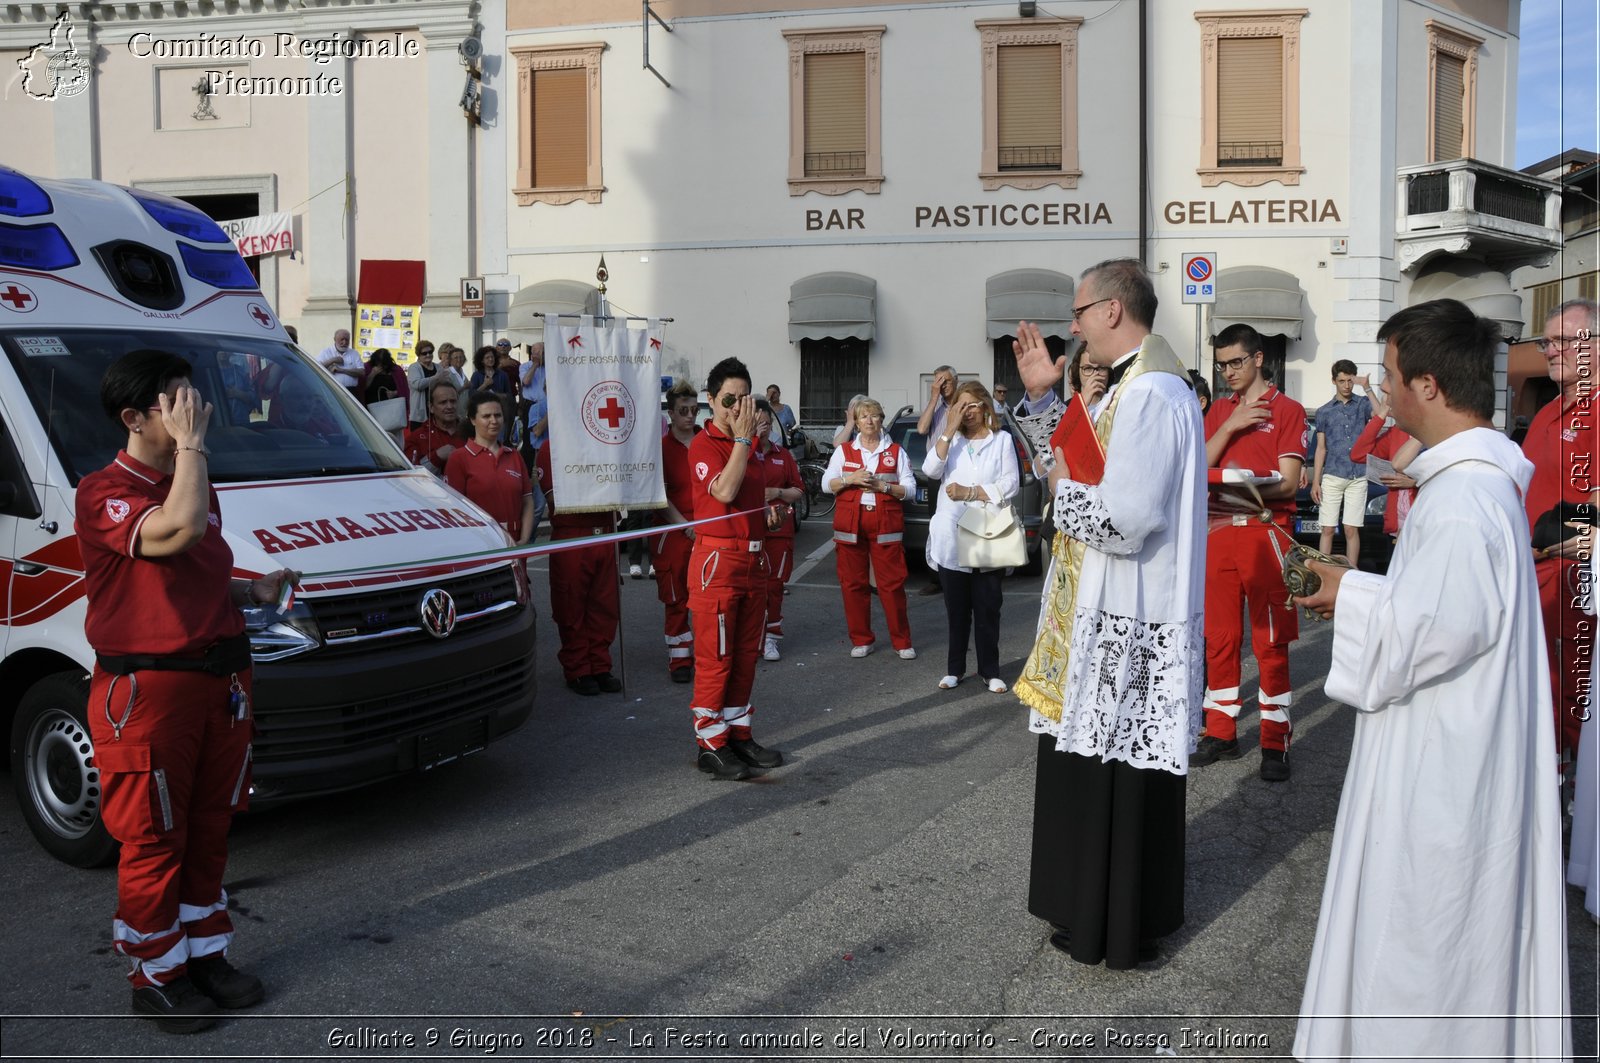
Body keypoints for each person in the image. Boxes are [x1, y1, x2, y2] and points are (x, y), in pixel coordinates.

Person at [1291, 298, 1571, 1060]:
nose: (1382, 393)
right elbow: (1447, 617)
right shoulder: (1479, 487)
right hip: (1460, 746)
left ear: (1429, 386)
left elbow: (1427, 635)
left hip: (1445, 775)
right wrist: (1353, 583)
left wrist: (1348, 591)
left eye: (1388, 377)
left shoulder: (1460, 501)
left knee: (1428, 950)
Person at [77, 349, 297, 1032]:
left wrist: (248, 590)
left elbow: (191, 568)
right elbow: (177, 530)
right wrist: (194, 449)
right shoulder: (104, 490)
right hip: (150, 693)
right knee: (152, 838)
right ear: (134, 417)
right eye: (177, 402)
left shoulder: (193, 480)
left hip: (220, 681)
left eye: (192, 400)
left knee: (208, 829)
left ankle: (203, 954)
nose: (194, 411)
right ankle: (154, 975)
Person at [1011, 258, 1205, 969]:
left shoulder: (1153, 392)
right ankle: (1088, 909)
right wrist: (1043, 399)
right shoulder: (1131, 386)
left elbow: (1124, 515)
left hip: (1129, 604)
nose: (1073, 325)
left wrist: (1062, 492)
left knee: (1118, 771)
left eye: (1080, 310)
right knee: (1096, 764)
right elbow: (1081, 460)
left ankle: (1115, 923)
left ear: (1115, 311)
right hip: (1103, 604)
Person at [1191, 323, 1307, 782]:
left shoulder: (1289, 410)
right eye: (1221, 366)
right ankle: (1221, 731)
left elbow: (1290, 481)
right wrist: (1233, 423)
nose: (1228, 373)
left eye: (1236, 362)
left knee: (1270, 639)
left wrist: (1242, 480)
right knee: (1218, 638)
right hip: (1219, 532)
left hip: (1266, 533)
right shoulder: (1219, 409)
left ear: (1259, 358)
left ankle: (1275, 740)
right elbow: (1197, 465)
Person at [686, 357, 783, 780]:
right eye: (729, 399)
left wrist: (768, 515)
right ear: (711, 401)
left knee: (746, 654)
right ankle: (710, 741)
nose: (738, 408)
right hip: (718, 562)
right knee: (716, 657)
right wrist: (744, 442)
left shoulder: (751, 447)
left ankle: (738, 732)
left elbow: (747, 504)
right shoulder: (704, 445)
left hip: (753, 558)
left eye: (744, 399)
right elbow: (723, 491)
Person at [1522, 298, 1599, 770]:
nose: (1550, 350)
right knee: (1540, 694)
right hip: (1535, 574)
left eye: (1563, 341)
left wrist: (1586, 530)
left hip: (1575, 577)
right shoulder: (1551, 409)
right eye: (1546, 341)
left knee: (1574, 700)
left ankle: (1578, 814)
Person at [922, 382, 1018, 692]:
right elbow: (930, 470)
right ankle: (955, 668)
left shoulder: (1002, 440)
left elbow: (1012, 483)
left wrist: (972, 492)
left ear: (986, 408)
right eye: (961, 406)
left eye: (973, 405)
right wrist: (948, 429)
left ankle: (990, 670)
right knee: (957, 608)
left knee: (988, 606)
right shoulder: (950, 442)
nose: (968, 411)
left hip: (988, 532)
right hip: (952, 533)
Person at [825, 396, 916, 661]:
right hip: (849, 526)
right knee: (853, 585)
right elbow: (825, 483)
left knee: (892, 585)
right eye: (863, 416)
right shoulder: (843, 451)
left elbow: (910, 490)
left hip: (885, 526)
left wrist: (883, 487)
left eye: (874, 415)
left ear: (881, 420)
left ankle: (902, 641)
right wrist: (848, 479)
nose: (868, 421)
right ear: (856, 421)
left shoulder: (897, 451)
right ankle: (862, 639)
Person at [534, 445, 622, 696]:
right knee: (570, 605)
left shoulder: (606, 445)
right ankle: (578, 668)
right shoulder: (550, 449)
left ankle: (601, 665)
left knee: (605, 606)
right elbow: (556, 499)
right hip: (573, 536)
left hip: (604, 533)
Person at [653, 381, 701, 683]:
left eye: (695, 410)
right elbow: (659, 495)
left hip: (709, 529)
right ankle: (680, 657)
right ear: (671, 413)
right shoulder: (659, 449)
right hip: (674, 531)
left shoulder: (707, 442)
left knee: (711, 597)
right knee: (676, 597)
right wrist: (685, 525)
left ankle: (709, 653)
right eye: (684, 410)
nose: (690, 416)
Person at [444, 391, 534, 546]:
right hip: (480, 543)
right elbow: (454, 509)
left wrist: (524, 539)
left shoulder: (514, 456)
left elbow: (527, 501)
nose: (494, 421)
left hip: (516, 542)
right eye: (486, 416)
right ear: (473, 419)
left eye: (498, 415)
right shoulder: (459, 458)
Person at [754, 399, 805, 661]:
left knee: (774, 585)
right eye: (757, 421)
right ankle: (751, 637)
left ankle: (771, 638)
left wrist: (777, 493)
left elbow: (798, 490)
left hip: (778, 531)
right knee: (750, 587)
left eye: (767, 422)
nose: (763, 427)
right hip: (749, 531)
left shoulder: (782, 455)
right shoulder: (741, 454)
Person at [1310, 359, 1373, 566]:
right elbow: (1321, 448)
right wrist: (1315, 481)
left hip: (1358, 474)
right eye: (1342, 381)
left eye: (1349, 381)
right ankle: (1324, 571)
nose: (1346, 385)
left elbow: (1382, 414)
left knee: (1351, 529)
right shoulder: (1324, 412)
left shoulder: (1363, 404)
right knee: (1327, 528)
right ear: (1334, 381)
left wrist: (1367, 387)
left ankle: (1352, 573)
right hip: (1333, 474)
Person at [1348, 382, 1422, 540]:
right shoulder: (1396, 432)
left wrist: (1414, 483)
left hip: (1421, 524)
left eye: (1389, 397)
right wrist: (1380, 417)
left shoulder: (1429, 432)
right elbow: (1358, 454)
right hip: (1397, 525)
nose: (1386, 401)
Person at [916, 367, 958, 597]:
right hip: (936, 475)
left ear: (956, 381)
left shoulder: (964, 404)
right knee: (936, 526)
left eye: (946, 381)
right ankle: (936, 578)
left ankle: (959, 574)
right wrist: (933, 398)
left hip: (958, 474)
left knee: (960, 524)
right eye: (938, 382)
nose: (943, 386)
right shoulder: (936, 407)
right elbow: (921, 428)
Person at [403, 381, 462, 475]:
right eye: (443, 402)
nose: (450, 406)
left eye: (453, 401)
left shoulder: (473, 432)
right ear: (431, 407)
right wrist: (436, 457)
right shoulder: (416, 438)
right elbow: (412, 476)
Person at [405, 340, 444, 429]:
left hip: (436, 411)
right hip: (420, 414)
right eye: (424, 353)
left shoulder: (438, 367)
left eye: (430, 352)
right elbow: (417, 385)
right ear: (418, 355)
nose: (428, 355)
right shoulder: (414, 367)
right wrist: (435, 378)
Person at [317, 328, 361, 394]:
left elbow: (361, 372)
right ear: (334, 339)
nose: (344, 342)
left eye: (347, 340)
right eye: (342, 339)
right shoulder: (326, 352)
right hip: (332, 390)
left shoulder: (354, 353)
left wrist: (341, 370)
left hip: (351, 391)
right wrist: (332, 360)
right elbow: (317, 368)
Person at [766, 384, 797, 449]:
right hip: (768, 443)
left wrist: (786, 430)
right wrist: (766, 399)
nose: (772, 395)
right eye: (770, 393)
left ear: (779, 394)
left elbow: (792, 423)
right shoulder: (766, 408)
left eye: (774, 393)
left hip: (783, 442)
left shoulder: (786, 409)